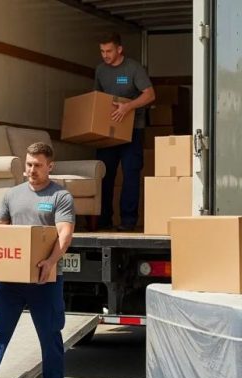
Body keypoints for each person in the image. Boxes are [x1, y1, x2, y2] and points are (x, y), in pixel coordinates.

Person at [0, 142, 75, 378]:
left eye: (37, 165)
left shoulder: (60, 196)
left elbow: (65, 235)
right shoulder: (11, 195)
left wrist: (50, 262)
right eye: (29, 165)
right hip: (11, 280)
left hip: (44, 280)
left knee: (50, 338)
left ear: (50, 166)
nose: (32, 170)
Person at [95, 32, 155, 231]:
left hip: (132, 130)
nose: (105, 55)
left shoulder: (133, 68)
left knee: (130, 175)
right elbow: (97, 99)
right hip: (108, 133)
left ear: (119, 49)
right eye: (102, 51)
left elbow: (149, 95)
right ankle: (103, 220)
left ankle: (128, 222)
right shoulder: (100, 71)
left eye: (109, 51)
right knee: (105, 176)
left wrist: (128, 107)